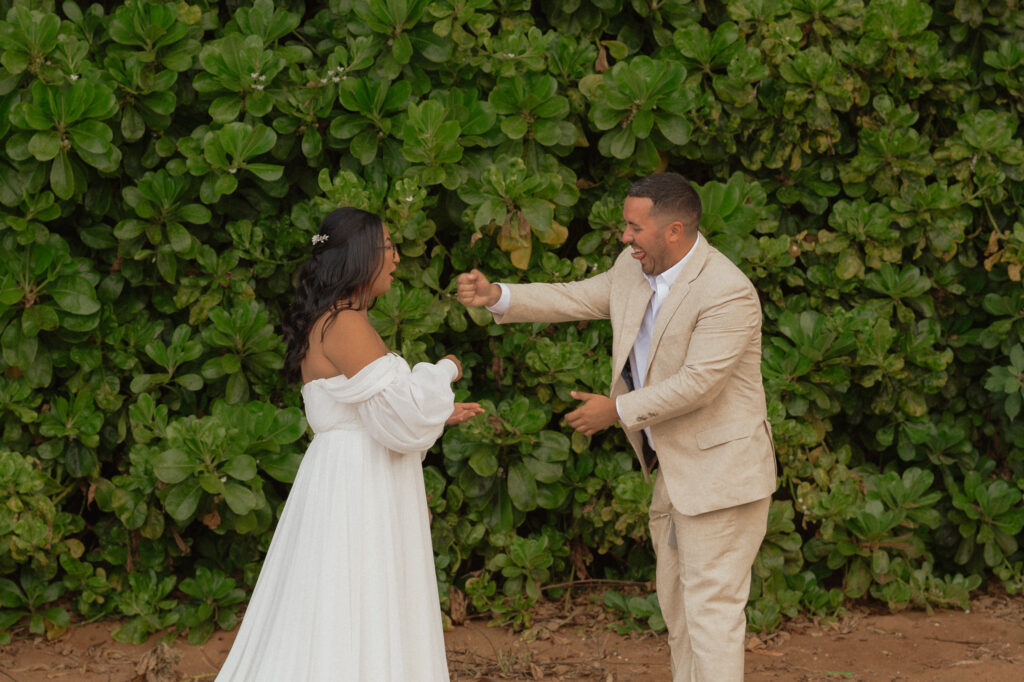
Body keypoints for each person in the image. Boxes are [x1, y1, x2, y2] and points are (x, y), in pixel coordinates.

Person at [456, 172, 776, 681]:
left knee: (711, 615)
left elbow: (700, 383)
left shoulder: (726, 291)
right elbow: (575, 297)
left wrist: (618, 411)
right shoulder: (632, 270)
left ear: (674, 230)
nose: (624, 237)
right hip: (674, 473)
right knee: (680, 614)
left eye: (634, 227)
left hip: (723, 476)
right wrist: (498, 295)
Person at [217, 207, 482, 681]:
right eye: (387, 248)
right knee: (355, 596)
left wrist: (436, 411)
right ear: (359, 257)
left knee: (351, 600)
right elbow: (403, 414)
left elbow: (387, 413)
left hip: (358, 473)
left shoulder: (340, 320)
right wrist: (445, 370)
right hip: (356, 484)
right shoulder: (343, 323)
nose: (397, 259)